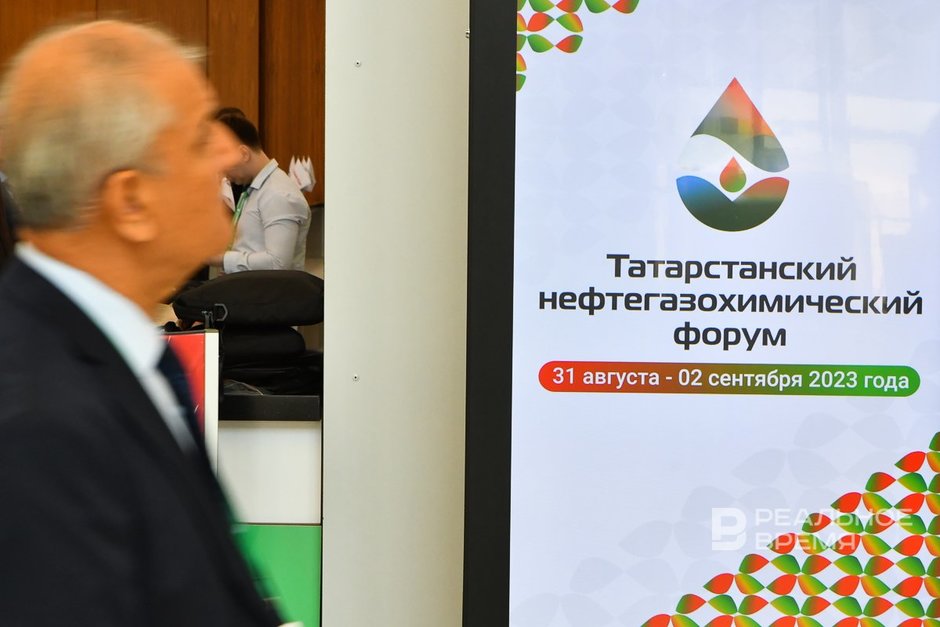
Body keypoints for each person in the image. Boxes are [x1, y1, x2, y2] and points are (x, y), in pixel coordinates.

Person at [0, 21, 283, 626]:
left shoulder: (123, 358)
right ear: (131, 201)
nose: (225, 152)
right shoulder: (37, 422)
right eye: (199, 137)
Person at [212, 111, 310, 273]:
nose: (223, 174)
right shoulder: (255, 189)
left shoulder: (278, 194)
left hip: (265, 290)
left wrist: (220, 258)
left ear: (243, 154)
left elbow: (278, 263)